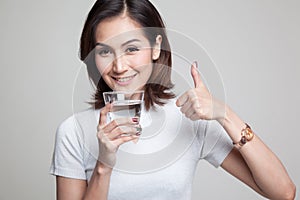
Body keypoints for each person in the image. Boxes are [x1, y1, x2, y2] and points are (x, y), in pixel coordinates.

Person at [50, 0, 296, 199]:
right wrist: (104, 165)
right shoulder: (74, 132)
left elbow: (283, 192)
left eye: (132, 49)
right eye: (104, 51)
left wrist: (224, 114)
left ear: (156, 47)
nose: (119, 66)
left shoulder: (188, 119)